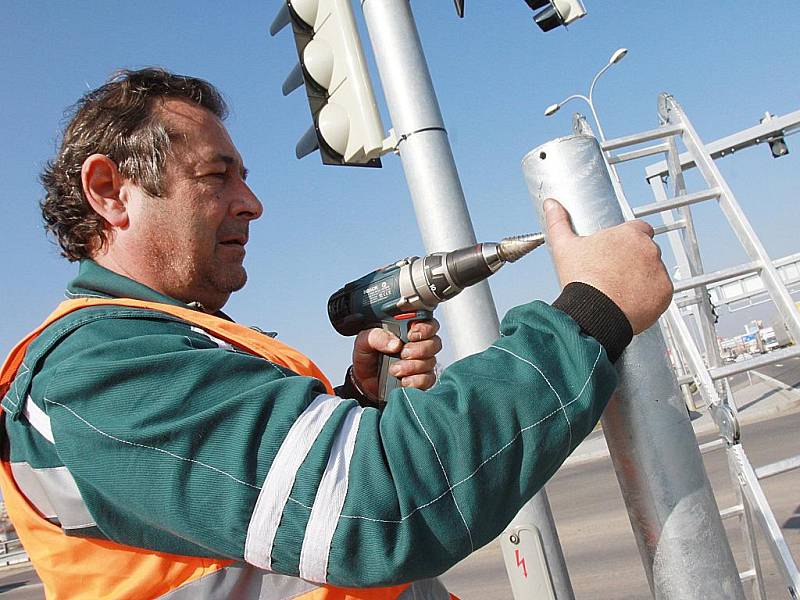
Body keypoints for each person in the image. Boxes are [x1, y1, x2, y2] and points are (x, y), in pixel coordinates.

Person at [0, 68, 672, 600]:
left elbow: (271, 530)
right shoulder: (94, 369)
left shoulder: (178, 344)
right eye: (216, 175)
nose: (251, 203)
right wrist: (591, 313)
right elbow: (381, 509)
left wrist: (360, 403)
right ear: (110, 191)